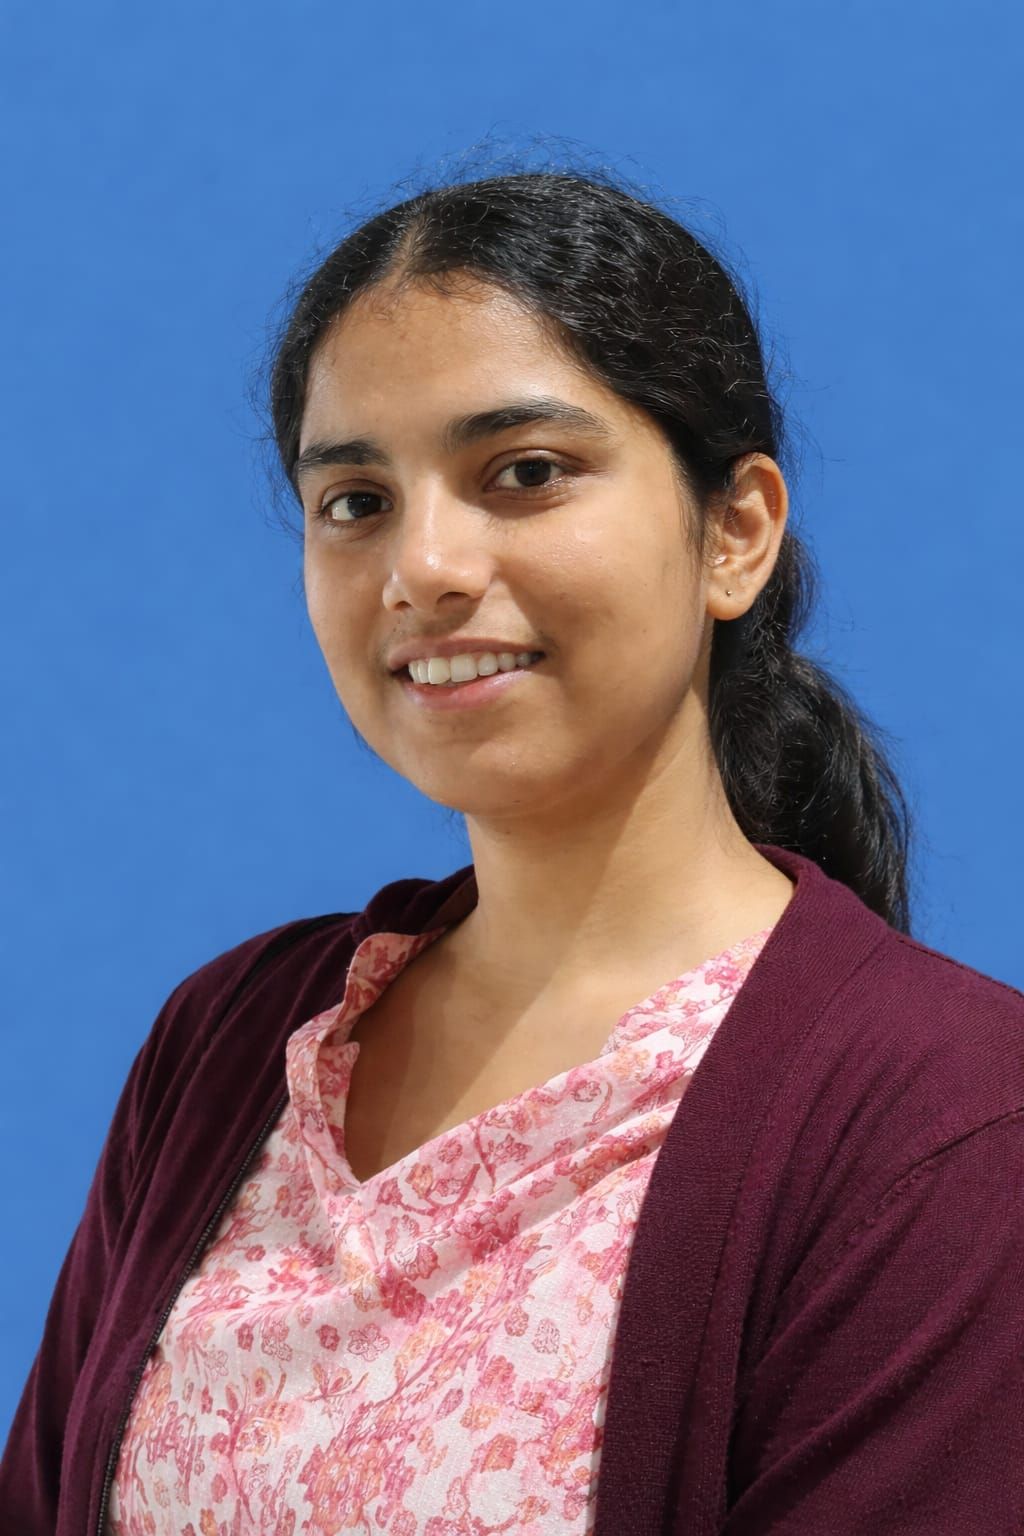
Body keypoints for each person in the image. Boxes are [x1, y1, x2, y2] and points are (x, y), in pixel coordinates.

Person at [2, 167, 1021, 1536]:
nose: (423, 566)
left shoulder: (946, 1122)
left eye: (525, 473)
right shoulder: (230, 1047)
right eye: (354, 499)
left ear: (736, 534)